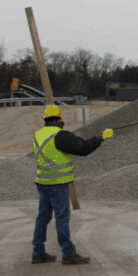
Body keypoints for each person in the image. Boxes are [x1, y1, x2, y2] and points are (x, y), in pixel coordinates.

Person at [31, 105, 104, 265]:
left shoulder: (38, 135)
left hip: (42, 182)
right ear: (57, 119)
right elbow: (83, 148)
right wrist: (100, 138)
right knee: (62, 218)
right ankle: (68, 253)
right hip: (58, 184)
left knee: (42, 218)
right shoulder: (60, 135)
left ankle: (38, 252)